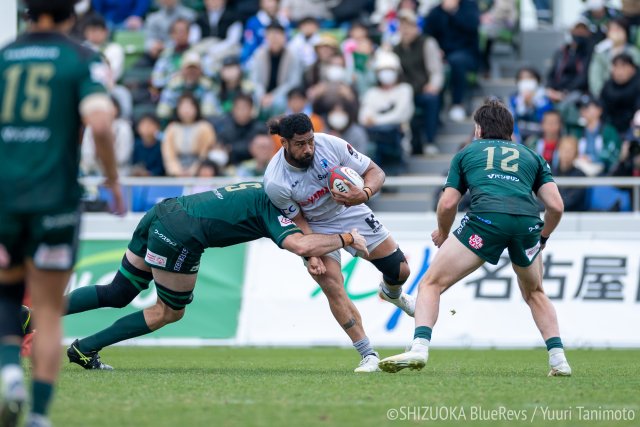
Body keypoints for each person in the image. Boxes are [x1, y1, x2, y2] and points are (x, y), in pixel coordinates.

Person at [62, 183, 369, 370]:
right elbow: (300, 242)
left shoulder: (265, 187)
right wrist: (346, 238)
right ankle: (85, 348)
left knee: (119, 291)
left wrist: (311, 255)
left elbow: (301, 235)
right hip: (182, 235)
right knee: (168, 312)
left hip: (163, 212)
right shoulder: (275, 208)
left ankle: (38, 315)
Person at [378, 99, 572, 377]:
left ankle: (419, 347)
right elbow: (556, 206)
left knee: (431, 283)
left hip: (485, 222)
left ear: (478, 129)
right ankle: (559, 360)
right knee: (535, 293)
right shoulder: (532, 156)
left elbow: (447, 204)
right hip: (527, 224)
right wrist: (543, 236)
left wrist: (444, 233)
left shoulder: (467, 152)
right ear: (511, 131)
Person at [0, 1, 124, 425]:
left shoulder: (5, 56)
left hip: (6, 197)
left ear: (27, 14)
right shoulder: (83, 58)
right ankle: (38, 414)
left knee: (6, 294)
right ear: (71, 16)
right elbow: (101, 123)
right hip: (55, 200)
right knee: (48, 310)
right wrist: (112, 179)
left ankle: (9, 374)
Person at [263, 113, 416, 373]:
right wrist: (311, 255)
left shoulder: (330, 144)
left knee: (400, 270)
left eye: (310, 141)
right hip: (315, 226)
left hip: (350, 211)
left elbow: (375, 172)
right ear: (284, 143)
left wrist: (364, 193)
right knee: (332, 286)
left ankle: (392, 294)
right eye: (300, 144)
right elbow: (298, 219)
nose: (308, 148)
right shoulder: (276, 181)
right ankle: (368, 354)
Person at [394, 9, 444, 155]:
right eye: (402, 26)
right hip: (404, 92)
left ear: (416, 27)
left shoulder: (427, 42)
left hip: (422, 90)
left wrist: (434, 85)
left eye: (409, 26)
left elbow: (436, 70)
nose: (406, 30)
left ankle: (430, 141)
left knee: (431, 99)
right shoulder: (396, 48)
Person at [359, 51, 414, 175]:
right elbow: (363, 117)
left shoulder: (405, 89)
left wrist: (375, 120)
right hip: (375, 139)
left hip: (398, 140)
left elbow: (400, 116)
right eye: (382, 70)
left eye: (390, 70)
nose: (386, 73)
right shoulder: (372, 93)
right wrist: (375, 120)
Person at [425, 0, 480, 122]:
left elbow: (472, 26)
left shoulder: (469, 7)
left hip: (467, 53)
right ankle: (436, 115)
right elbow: (427, 35)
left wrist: (453, 12)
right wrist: (435, 50)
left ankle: (457, 103)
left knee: (456, 61)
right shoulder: (436, 12)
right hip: (442, 54)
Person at [249, 22, 303, 115]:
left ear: (284, 37)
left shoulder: (293, 55)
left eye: (278, 35)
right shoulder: (259, 54)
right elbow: (254, 79)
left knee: (279, 103)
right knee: (251, 100)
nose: (274, 39)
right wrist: (262, 95)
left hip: (283, 94)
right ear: (266, 38)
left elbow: (293, 82)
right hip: (262, 94)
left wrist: (273, 96)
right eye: (271, 35)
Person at [162, 94, 218, 177]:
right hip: (177, 173)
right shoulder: (171, 128)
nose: (186, 110)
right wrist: (177, 171)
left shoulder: (205, 127)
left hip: (200, 172)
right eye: (183, 107)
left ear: (196, 108)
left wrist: (194, 170)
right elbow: (169, 154)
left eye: (189, 107)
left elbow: (205, 153)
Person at [588, 18, 640, 97]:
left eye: (619, 29)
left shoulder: (634, 53)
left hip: (631, 95)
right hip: (606, 95)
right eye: (613, 30)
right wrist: (601, 96)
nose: (616, 33)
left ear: (626, 32)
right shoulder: (601, 53)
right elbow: (595, 78)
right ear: (607, 33)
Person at [509, 67, 554, 144]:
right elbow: (512, 119)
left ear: (536, 80)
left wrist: (532, 104)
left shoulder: (545, 98)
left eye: (529, 78)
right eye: (522, 78)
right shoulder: (514, 99)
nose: (526, 81)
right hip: (520, 135)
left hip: (541, 136)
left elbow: (546, 118)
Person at [600, 53, 640, 135]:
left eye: (623, 66)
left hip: (633, 129)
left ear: (632, 69)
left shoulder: (638, 84)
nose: (619, 72)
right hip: (612, 128)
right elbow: (602, 107)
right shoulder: (608, 86)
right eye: (616, 67)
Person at [552, 136, 588, 212]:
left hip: (572, 215)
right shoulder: (549, 173)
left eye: (570, 151)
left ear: (576, 154)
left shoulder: (580, 175)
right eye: (564, 149)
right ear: (558, 151)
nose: (566, 154)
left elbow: (571, 201)